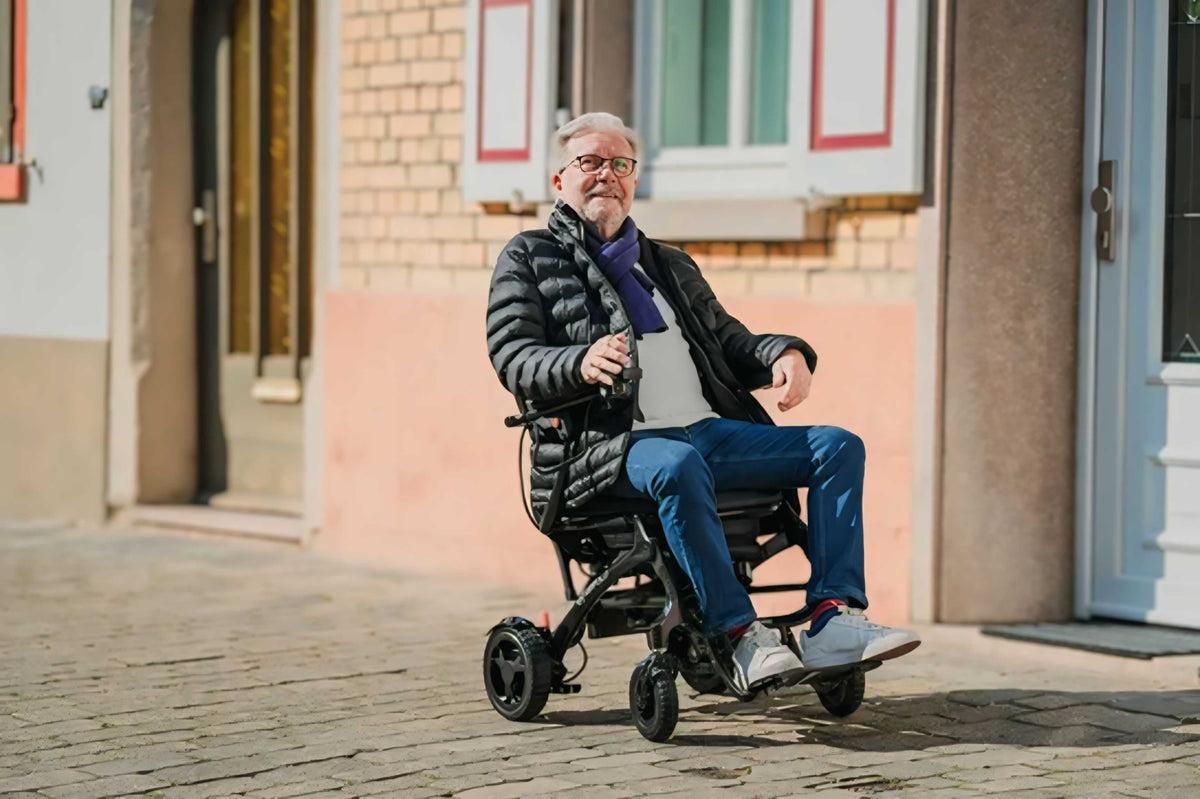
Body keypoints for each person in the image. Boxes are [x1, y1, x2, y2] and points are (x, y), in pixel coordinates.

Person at [486, 112, 919, 691]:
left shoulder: (666, 263)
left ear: (634, 179)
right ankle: (739, 637)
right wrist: (579, 363)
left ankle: (830, 619)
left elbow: (727, 338)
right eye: (589, 162)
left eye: (620, 164)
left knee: (836, 447)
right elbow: (513, 355)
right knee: (676, 462)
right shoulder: (529, 257)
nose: (607, 175)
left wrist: (783, 354)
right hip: (607, 448)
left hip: (707, 433)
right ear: (559, 181)